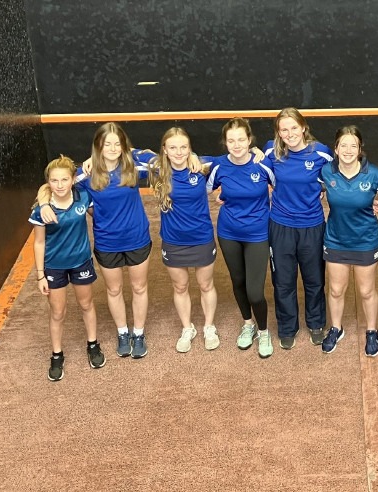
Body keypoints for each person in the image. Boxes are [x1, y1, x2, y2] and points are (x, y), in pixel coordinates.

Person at [39, 122, 151, 359]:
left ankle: (139, 333)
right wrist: (43, 202)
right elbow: (54, 184)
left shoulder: (134, 165)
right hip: (107, 242)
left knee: (139, 287)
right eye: (106, 144)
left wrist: (192, 157)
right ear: (98, 146)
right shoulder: (85, 173)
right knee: (114, 289)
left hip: (137, 237)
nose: (112, 148)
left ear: (124, 146)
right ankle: (123, 333)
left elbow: (166, 160)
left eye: (117, 144)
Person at [203, 118, 275, 358]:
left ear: (249, 140)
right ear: (225, 142)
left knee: (255, 291)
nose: (236, 145)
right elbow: (201, 189)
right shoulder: (219, 165)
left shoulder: (262, 164)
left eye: (241, 140)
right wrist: (219, 197)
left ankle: (263, 331)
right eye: (231, 140)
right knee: (238, 282)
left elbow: (283, 186)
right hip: (229, 233)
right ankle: (248, 324)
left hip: (258, 233)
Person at [262, 108, 333, 349]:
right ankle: (287, 327)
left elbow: (342, 173)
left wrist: (370, 198)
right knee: (283, 281)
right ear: (278, 133)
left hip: (312, 226)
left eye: (294, 127)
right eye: (284, 129)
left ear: (303, 127)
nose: (290, 133)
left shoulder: (321, 152)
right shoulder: (270, 151)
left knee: (314, 280)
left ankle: (316, 323)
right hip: (281, 225)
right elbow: (251, 169)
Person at [30, 155, 105, 381]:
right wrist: (40, 276)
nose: (60, 185)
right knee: (58, 312)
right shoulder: (41, 210)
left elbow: (101, 214)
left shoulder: (83, 197)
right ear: (48, 183)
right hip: (54, 267)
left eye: (64, 179)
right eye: (54, 180)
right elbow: (39, 243)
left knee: (86, 304)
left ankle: (93, 344)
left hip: (81, 262)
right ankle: (56, 354)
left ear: (73, 180)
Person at [317, 125, 378, 355]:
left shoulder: (374, 174)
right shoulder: (326, 172)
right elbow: (314, 193)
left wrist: (375, 201)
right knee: (336, 290)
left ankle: (372, 331)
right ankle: (336, 328)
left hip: (365, 241)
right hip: (336, 240)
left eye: (353, 146)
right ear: (336, 149)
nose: (348, 150)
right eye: (343, 145)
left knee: (366, 291)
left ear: (360, 149)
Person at [148, 127, 220, 353]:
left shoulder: (202, 167)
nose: (178, 152)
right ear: (164, 150)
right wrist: (91, 160)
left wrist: (256, 151)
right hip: (173, 240)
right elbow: (128, 155)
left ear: (190, 148)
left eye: (184, 147)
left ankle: (209, 327)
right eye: (173, 147)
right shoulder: (157, 169)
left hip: (201, 237)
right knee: (180, 286)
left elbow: (232, 157)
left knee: (206, 284)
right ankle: (187, 328)